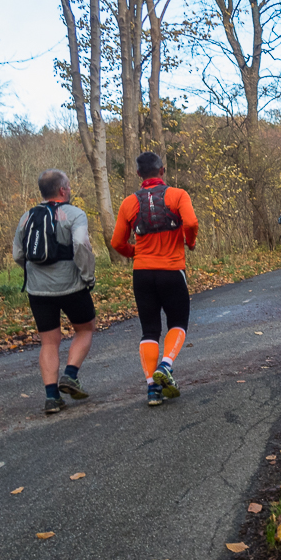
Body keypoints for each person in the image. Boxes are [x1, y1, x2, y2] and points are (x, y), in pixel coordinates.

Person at [111, 151, 199, 407]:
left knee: (149, 330)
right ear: (162, 171)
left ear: (139, 174)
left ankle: (152, 389)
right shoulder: (177, 195)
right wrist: (189, 242)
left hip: (142, 274)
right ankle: (166, 365)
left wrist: (134, 252)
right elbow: (191, 223)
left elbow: (117, 242)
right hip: (172, 271)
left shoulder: (129, 202)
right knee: (178, 323)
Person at [12, 169, 97, 415]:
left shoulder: (26, 217)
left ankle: (51, 398)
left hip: (38, 290)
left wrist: (37, 272)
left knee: (49, 341)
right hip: (71, 286)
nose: (69, 189)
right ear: (62, 190)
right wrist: (87, 277)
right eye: (68, 186)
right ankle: (70, 375)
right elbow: (81, 245)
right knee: (85, 328)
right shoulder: (74, 214)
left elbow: (18, 254)